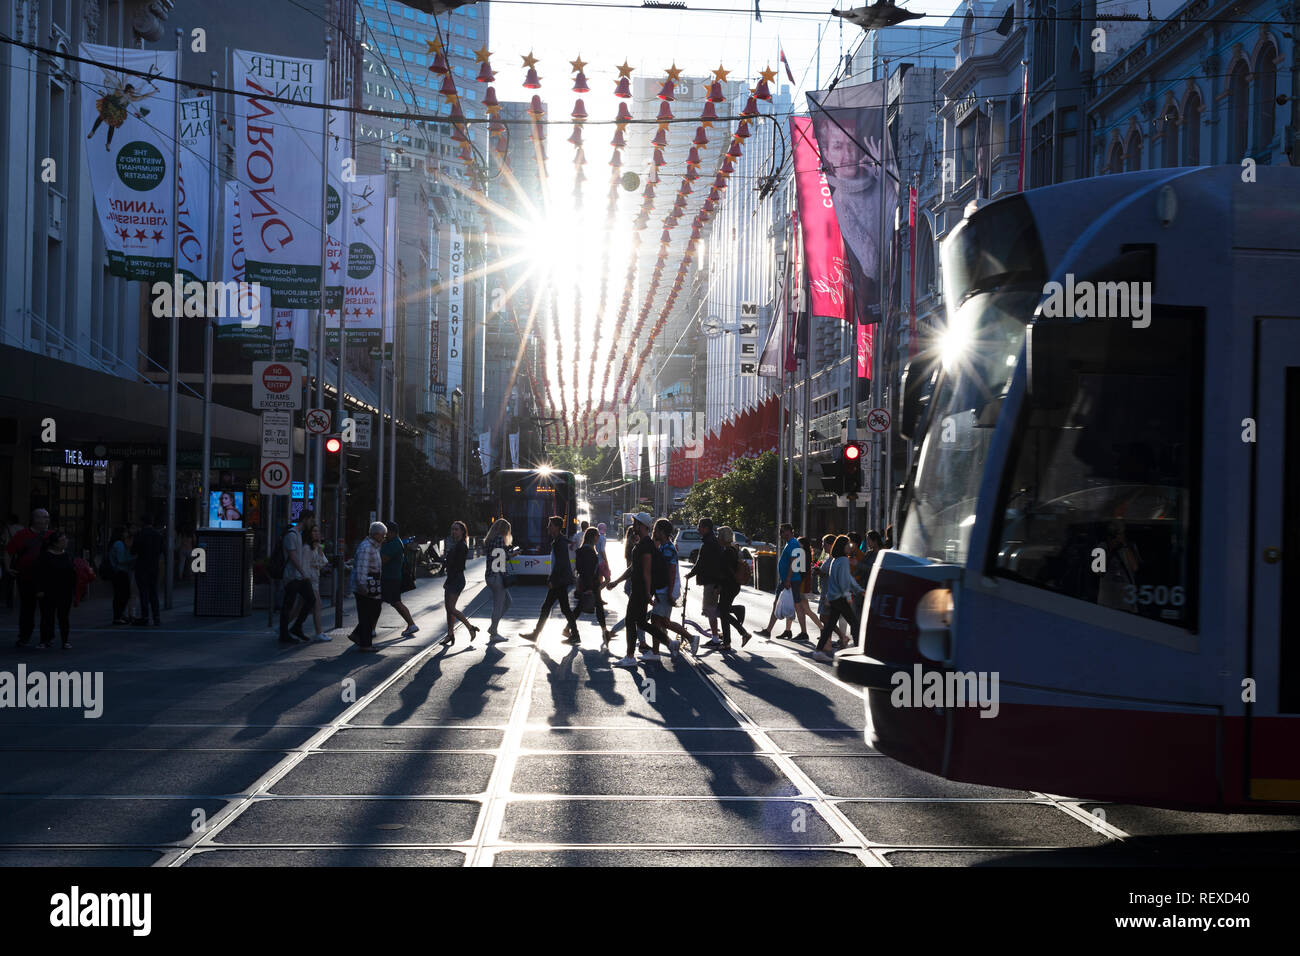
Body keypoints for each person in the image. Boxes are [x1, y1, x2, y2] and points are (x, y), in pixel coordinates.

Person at [606, 513, 669, 667]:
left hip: (641, 590)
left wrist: (648, 593)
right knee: (640, 622)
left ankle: (630, 656)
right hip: (639, 589)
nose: (632, 526)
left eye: (635, 523)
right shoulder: (642, 544)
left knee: (630, 620)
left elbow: (646, 572)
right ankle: (669, 642)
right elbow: (633, 568)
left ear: (642, 526)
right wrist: (616, 581)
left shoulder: (646, 545)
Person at [521, 515, 581, 643]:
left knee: (549, 607)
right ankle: (574, 634)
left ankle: (537, 634)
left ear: (557, 527)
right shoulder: (559, 541)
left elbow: (560, 563)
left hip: (559, 581)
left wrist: (552, 580)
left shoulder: (560, 542)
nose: (548, 527)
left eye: (550, 525)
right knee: (557, 608)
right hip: (560, 580)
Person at [757, 523, 817, 641]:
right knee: (779, 603)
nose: (782, 534)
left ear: (790, 531)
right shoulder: (790, 543)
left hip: (791, 580)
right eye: (781, 532)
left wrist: (788, 579)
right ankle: (770, 630)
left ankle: (803, 633)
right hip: (788, 580)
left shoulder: (793, 543)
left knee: (797, 606)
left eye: (783, 531)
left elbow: (794, 563)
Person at [814, 535, 865, 662]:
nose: (850, 547)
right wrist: (849, 596)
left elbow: (846, 578)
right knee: (855, 624)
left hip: (834, 597)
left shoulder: (836, 560)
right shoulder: (842, 560)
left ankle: (819, 651)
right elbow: (844, 581)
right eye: (848, 545)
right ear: (843, 547)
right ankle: (859, 652)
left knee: (830, 625)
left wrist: (859, 590)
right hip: (840, 598)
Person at [8, 508, 52, 648]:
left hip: (46, 578)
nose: (46, 520)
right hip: (27, 576)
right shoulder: (22, 535)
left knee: (47, 609)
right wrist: (8, 567)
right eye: (43, 517)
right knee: (27, 608)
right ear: (35, 519)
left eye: (47, 517)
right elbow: (8, 551)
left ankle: (46, 638)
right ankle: (24, 636)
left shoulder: (51, 535)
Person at [706, 526, 752, 651]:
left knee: (723, 613)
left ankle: (728, 642)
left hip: (729, 586)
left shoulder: (727, 552)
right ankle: (741, 630)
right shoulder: (732, 549)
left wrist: (718, 586)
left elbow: (726, 573)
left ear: (722, 537)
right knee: (723, 612)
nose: (717, 538)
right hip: (732, 585)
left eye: (719, 535)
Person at [648, 518, 688, 658]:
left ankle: (656, 652)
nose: (654, 532)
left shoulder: (668, 549)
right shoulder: (663, 547)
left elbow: (670, 572)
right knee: (662, 621)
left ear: (662, 532)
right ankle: (671, 644)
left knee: (656, 621)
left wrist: (670, 593)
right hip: (663, 590)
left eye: (656, 530)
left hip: (666, 591)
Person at [683, 516, 722, 653]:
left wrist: (690, 575)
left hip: (711, 581)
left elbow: (701, 563)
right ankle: (717, 637)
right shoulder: (711, 541)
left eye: (700, 526)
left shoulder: (709, 543)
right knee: (712, 610)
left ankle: (716, 639)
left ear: (706, 528)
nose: (698, 529)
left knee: (711, 609)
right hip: (712, 581)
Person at [278, 511, 317, 644]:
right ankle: (284, 634)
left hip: (298, 577)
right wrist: (303, 572)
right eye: (311, 520)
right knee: (288, 605)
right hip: (292, 576)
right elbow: (293, 556)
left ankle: (296, 627)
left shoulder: (298, 535)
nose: (312, 523)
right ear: (305, 519)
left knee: (311, 599)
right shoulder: (291, 535)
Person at [34, 530, 76, 649]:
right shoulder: (45, 556)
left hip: (64, 591)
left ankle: (65, 640)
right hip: (48, 591)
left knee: (64, 617)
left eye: (65, 539)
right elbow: (39, 574)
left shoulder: (66, 555)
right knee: (47, 616)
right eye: (62, 540)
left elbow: (71, 573)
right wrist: (39, 589)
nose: (65, 542)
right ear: (55, 543)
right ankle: (45, 639)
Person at [348, 522, 387, 652]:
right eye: (383, 535)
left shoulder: (374, 546)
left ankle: (358, 635)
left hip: (372, 585)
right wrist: (362, 586)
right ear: (375, 534)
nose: (384, 537)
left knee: (374, 610)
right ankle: (365, 644)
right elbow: (361, 568)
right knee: (366, 614)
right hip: (365, 586)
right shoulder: (366, 547)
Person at [439, 520, 479, 646]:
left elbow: (458, 565)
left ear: (462, 532)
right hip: (451, 578)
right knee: (448, 609)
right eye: (452, 529)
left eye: (456, 529)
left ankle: (470, 627)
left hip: (456, 579)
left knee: (451, 608)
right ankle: (450, 634)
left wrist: (447, 564)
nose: (454, 532)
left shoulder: (461, 546)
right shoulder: (455, 544)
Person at [380, 520, 418, 638]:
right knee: (380, 602)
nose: (385, 535)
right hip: (390, 577)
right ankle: (370, 628)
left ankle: (411, 624)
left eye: (386, 533)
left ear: (392, 532)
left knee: (395, 602)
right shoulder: (393, 542)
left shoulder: (394, 544)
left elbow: (382, 559)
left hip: (391, 578)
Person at [574, 527, 612, 645]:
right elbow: (588, 570)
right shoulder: (589, 552)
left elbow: (581, 569)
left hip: (588, 583)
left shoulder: (584, 549)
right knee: (594, 607)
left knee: (584, 607)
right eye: (597, 536)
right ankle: (604, 631)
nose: (599, 538)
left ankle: (604, 631)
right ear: (593, 537)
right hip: (591, 584)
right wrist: (589, 588)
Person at [483, 518, 514, 642]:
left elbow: (495, 556)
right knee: (498, 605)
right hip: (497, 576)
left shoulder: (489, 540)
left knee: (507, 601)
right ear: (504, 530)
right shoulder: (500, 539)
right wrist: (511, 555)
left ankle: (493, 627)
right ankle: (494, 633)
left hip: (489, 575)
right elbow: (500, 560)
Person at [131, 515, 163, 627]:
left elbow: (133, 551)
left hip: (142, 566)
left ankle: (145, 617)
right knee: (154, 592)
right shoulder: (158, 535)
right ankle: (156, 617)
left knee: (143, 592)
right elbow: (161, 550)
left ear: (143, 522)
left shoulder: (139, 534)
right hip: (154, 566)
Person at [304, 524, 331, 641]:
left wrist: (320, 551)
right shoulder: (306, 548)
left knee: (299, 606)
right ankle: (319, 632)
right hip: (309, 580)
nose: (316, 533)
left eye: (317, 531)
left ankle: (282, 626)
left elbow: (323, 563)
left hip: (314, 579)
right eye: (314, 531)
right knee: (318, 605)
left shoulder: (317, 547)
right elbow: (305, 566)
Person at [107, 526, 134, 625]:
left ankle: (119, 615)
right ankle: (118, 616)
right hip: (120, 572)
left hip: (119, 572)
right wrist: (133, 558)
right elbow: (121, 560)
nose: (127, 534)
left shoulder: (118, 544)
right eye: (125, 532)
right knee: (123, 595)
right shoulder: (119, 544)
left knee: (121, 595)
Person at [1, 513, 21, 608]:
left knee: (8, 579)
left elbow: (3, 541)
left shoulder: (8, 529)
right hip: (20, 555)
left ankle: (9, 600)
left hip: (10, 555)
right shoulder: (22, 528)